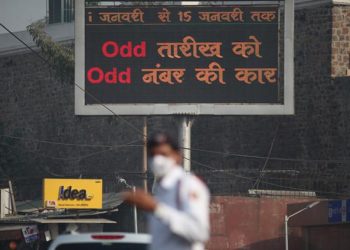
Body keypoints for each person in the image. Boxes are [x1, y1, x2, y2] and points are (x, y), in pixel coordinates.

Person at [124, 132, 210, 250]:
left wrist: (157, 209)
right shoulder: (160, 190)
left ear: (177, 156)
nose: (157, 160)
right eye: (153, 155)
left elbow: (200, 232)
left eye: (164, 154)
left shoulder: (188, 185)